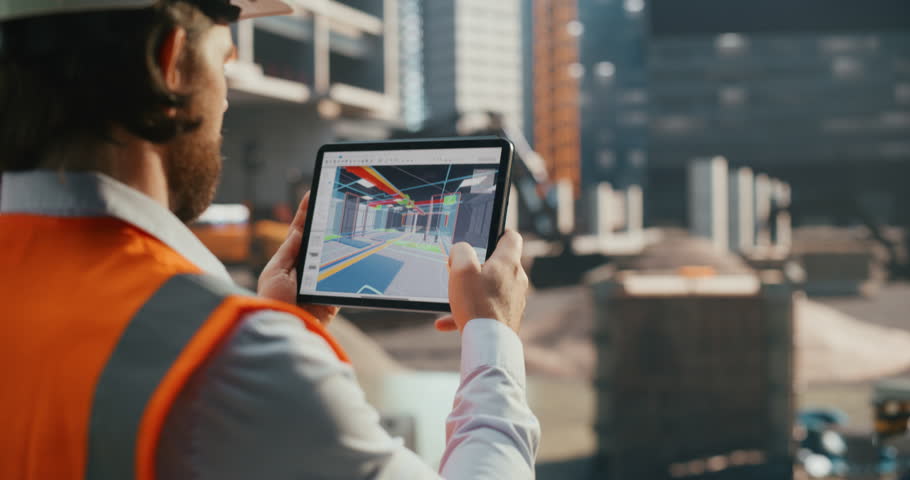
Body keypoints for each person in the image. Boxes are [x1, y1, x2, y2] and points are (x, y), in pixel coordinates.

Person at [0, 1, 540, 479]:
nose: (225, 102)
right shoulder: (234, 358)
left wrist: (280, 324)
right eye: (224, 63)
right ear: (173, 62)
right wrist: (492, 337)